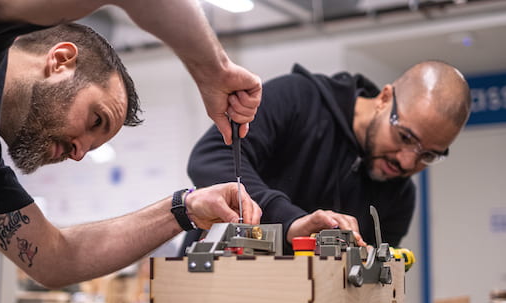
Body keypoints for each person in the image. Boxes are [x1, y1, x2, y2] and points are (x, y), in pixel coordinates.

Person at [0, 0, 263, 288]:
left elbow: (56, 259)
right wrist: (213, 71)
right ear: (61, 60)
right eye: (95, 119)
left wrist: (187, 208)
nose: (78, 153)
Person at [187, 61, 471, 254]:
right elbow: (211, 157)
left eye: (428, 155)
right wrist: (290, 222)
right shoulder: (298, 99)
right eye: (405, 137)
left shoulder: (400, 195)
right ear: (384, 99)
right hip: (215, 298)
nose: (408, 163)